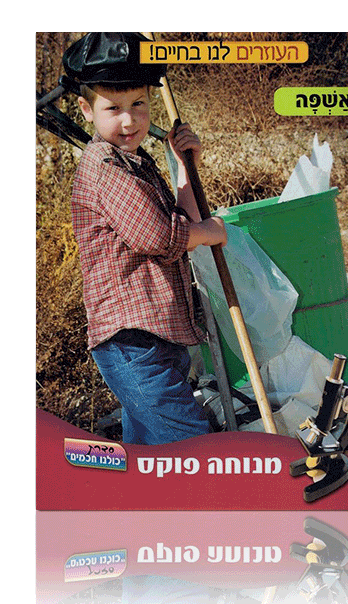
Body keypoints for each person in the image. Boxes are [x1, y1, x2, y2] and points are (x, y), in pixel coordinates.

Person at [62, 32, 227, 445]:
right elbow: (158, 236)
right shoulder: (104, 165)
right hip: (132, 345)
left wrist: (185, 166)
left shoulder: (135, 162)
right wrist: (208, 232)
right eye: (113, 108)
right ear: (86, 109)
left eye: (138, 103)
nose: (129, 120)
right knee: (191, 447)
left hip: (157, 338)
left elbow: (181, 220)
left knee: (144, 460)